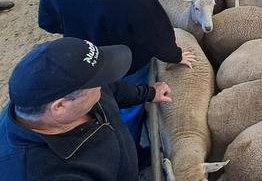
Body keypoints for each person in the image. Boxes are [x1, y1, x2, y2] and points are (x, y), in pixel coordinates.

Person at [0, 36, 173, 179]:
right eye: (97, 84)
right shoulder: (42, 173)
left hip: (125, 160)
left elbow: (112, 89)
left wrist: (148, 93)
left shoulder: (77, 87)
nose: (102, 85)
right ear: (60, 106)